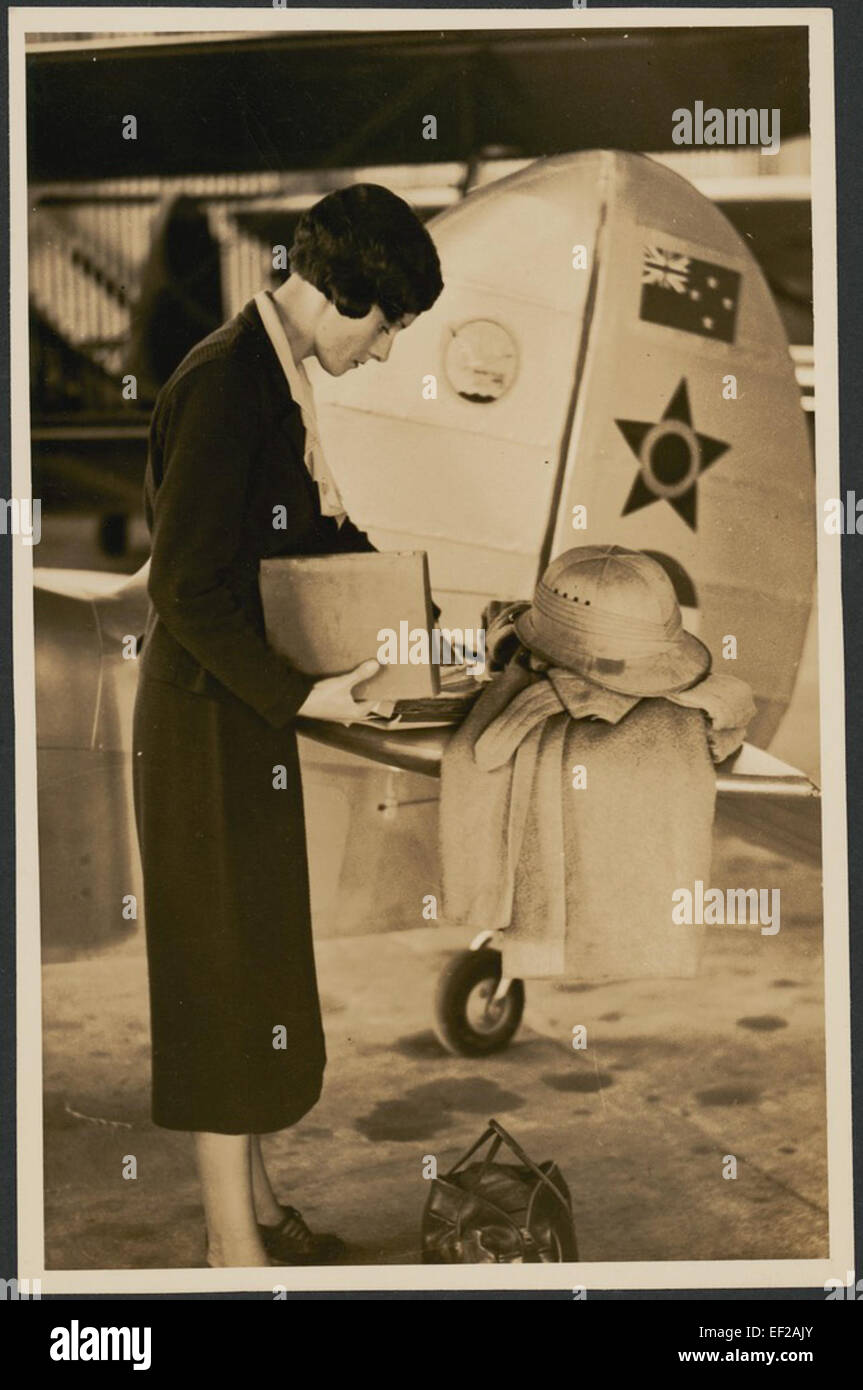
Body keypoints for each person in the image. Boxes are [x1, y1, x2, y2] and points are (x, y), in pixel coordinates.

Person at [132, 184, 443, 1268]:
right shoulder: (226, 382)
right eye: (388, 322)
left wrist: (412, 603)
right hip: (204, 719)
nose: (388, 349)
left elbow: (304, 532)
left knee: (254, 960)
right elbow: (183, 589)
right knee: (222, 977)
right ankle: (232, 1253)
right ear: (342, 292)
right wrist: (299, 694)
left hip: (236, 717)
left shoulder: (271, 373)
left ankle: (256, 1209)